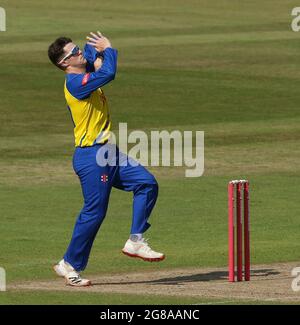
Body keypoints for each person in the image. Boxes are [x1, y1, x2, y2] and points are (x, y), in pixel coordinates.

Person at [47, 32, 164, 287]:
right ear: (64, 64)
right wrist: (108, 50)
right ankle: (69, 264)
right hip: (91, 156)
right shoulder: (76, 84)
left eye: (77, 48)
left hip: (109, 152)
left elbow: (91, 56)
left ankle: (135, 240)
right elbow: (108, 73)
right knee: (95, 212)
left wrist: (94, 52)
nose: (79, 52)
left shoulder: (83, 70)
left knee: (147, 183)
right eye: (73, 52)